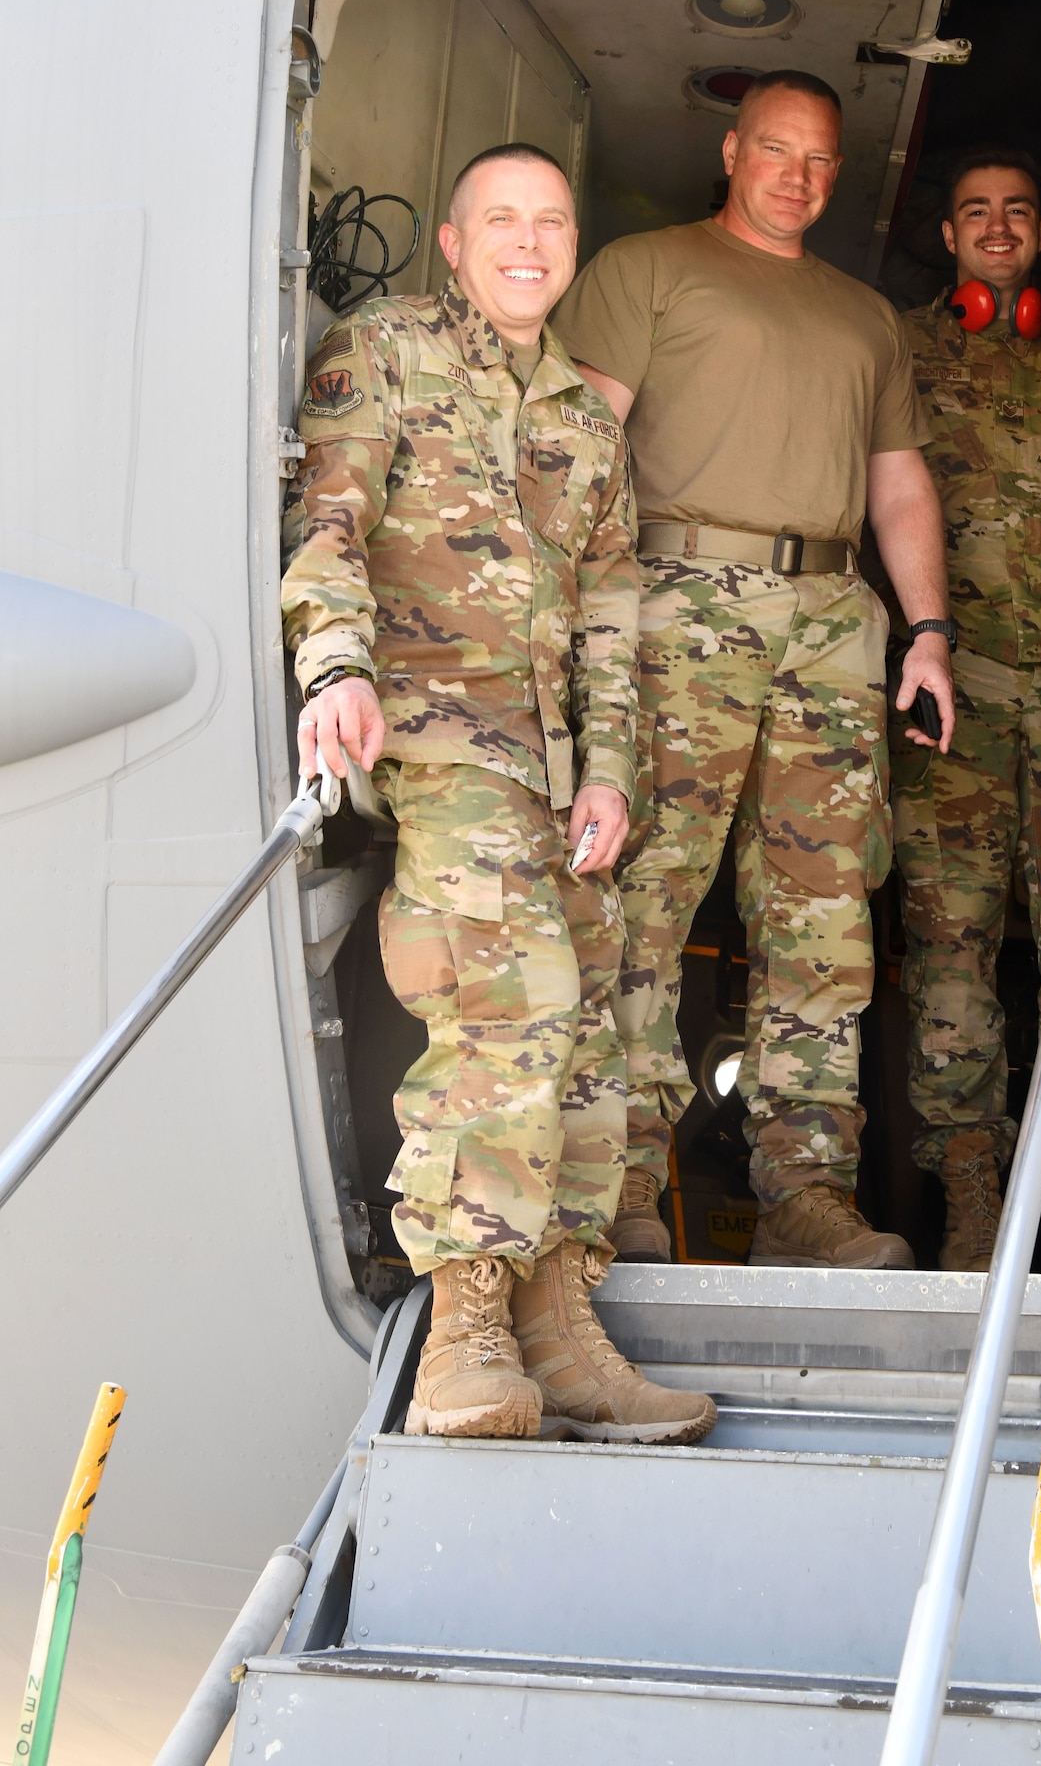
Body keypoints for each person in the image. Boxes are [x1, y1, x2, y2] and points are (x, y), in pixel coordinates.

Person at [281, 143, 715, 1442]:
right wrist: (334, 666)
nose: (529, 242)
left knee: (583, 1030)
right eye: (502, 221)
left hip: (551, 762)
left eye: (552, 222)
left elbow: (609, 611)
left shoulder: (585, 413)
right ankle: (464, 1337)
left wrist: (612, 772)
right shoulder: (389, 348)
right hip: (435, 733)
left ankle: (558, 1331)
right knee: (506, 1006)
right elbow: (331, 525)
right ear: (456, 243)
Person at [554, 70, 955, 1270]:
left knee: (824, 915)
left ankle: (806, 1191)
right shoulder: (647, 268)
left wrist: (926, 628)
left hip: (833, 614)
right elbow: (583, 444)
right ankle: (620, 1176)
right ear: (731, 151)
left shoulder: (866, 316)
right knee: (647, 898)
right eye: (777, 150)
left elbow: (898, 485)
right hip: (681, 595)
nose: (799, 175)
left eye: (822, 159)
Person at [889, 151, 1041, 1272]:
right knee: (946, 953)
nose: (996, 228)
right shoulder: (898, 348)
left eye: (1017, 213)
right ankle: (972, 1204)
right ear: (948, 237)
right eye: (974, 212)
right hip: (953, 700)